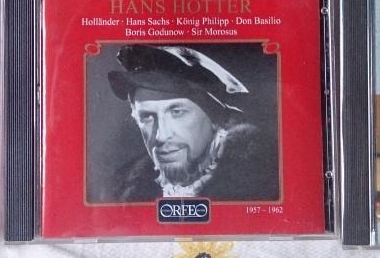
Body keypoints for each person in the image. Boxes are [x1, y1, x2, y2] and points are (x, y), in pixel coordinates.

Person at [102, 44, 278, 201]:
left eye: (177, 112)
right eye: (147, 117)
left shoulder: (268, 183)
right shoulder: (121, 191)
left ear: (217, 117)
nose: (161, 136)